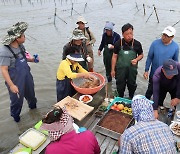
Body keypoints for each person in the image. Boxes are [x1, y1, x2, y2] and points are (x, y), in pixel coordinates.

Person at [0, 22, 38, 122]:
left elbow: (24, 58)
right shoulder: (4, 51)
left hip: (27, 76)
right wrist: (12, 85)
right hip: (15, 80)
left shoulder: (21, 46)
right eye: (23, 35)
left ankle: (34, 113)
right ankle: (17, 120)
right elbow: (3, 70)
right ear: (17, 38)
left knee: (32, 97)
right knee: (17, 102)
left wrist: (33, 60)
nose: (25, 37)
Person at [144, 26, 179, 100]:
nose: (164, 37)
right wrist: (146, 70)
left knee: (160, 95)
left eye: (167, 36)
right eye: (163, 35)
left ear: (172, 37)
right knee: (149, 92)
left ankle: (157, 107)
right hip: (154, 73)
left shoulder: (176, 47)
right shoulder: (155, 43)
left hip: (166, 75)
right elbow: (149, 57)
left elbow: (175, 62)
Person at [111, 23, 143, 99]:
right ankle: (120, 97)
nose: (129, 36)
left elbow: (141, 55)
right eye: (127, 34)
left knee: (132, 84)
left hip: (132, 70)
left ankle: (131, 97)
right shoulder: (118, 43)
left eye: (131, 33)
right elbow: (114, 56)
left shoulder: (137, 44)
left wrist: (136, 59)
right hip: (120, 70)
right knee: (120, 85)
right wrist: (112, 70)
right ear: (122, 34)